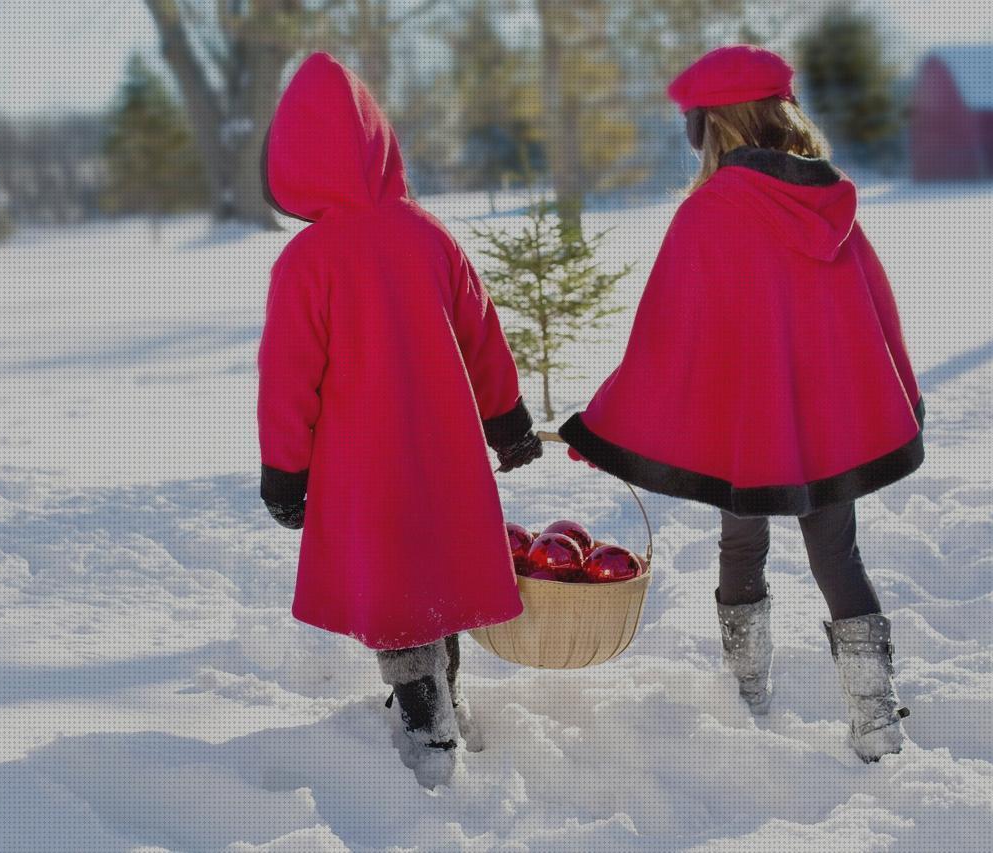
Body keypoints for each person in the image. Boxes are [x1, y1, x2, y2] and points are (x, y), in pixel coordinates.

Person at [559, 45, 922, 762]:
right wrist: (897, 395)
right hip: (824, 428)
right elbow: (876, 315)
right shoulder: (831, 200)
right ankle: (875, 718)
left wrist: (608, 423)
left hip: (746, 423)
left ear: (713, 128)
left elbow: (664, 340)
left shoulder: (710, 213)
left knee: (741, 538)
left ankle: (746, 690)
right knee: (837, 552)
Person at [256, 53, 542, 786]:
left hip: (365, 468)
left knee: (396, 598)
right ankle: (444, 698)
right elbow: (483, 334)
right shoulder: (428, 235)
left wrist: (286, 471)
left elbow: (288, 382)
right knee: (435, 583)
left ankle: (429, 731)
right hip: (446, 457)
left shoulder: (306, 262)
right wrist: (506, 421)